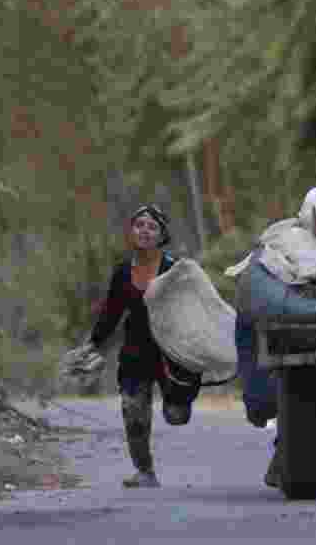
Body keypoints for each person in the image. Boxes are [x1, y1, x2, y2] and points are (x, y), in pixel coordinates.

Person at [86, 204, 203, 488]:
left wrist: (199, 347)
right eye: (140, 225)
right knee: (133, 412)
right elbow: (111, 313)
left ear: (162, 235)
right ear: (131, 231)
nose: (145, 231)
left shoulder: (174, 269)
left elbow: (194, 309)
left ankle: (178, 402)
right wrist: (92, 346)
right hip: (136, 351)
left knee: (177, 416)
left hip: (171, 353)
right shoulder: (123, 272)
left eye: (152, 226)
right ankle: (145, 471)